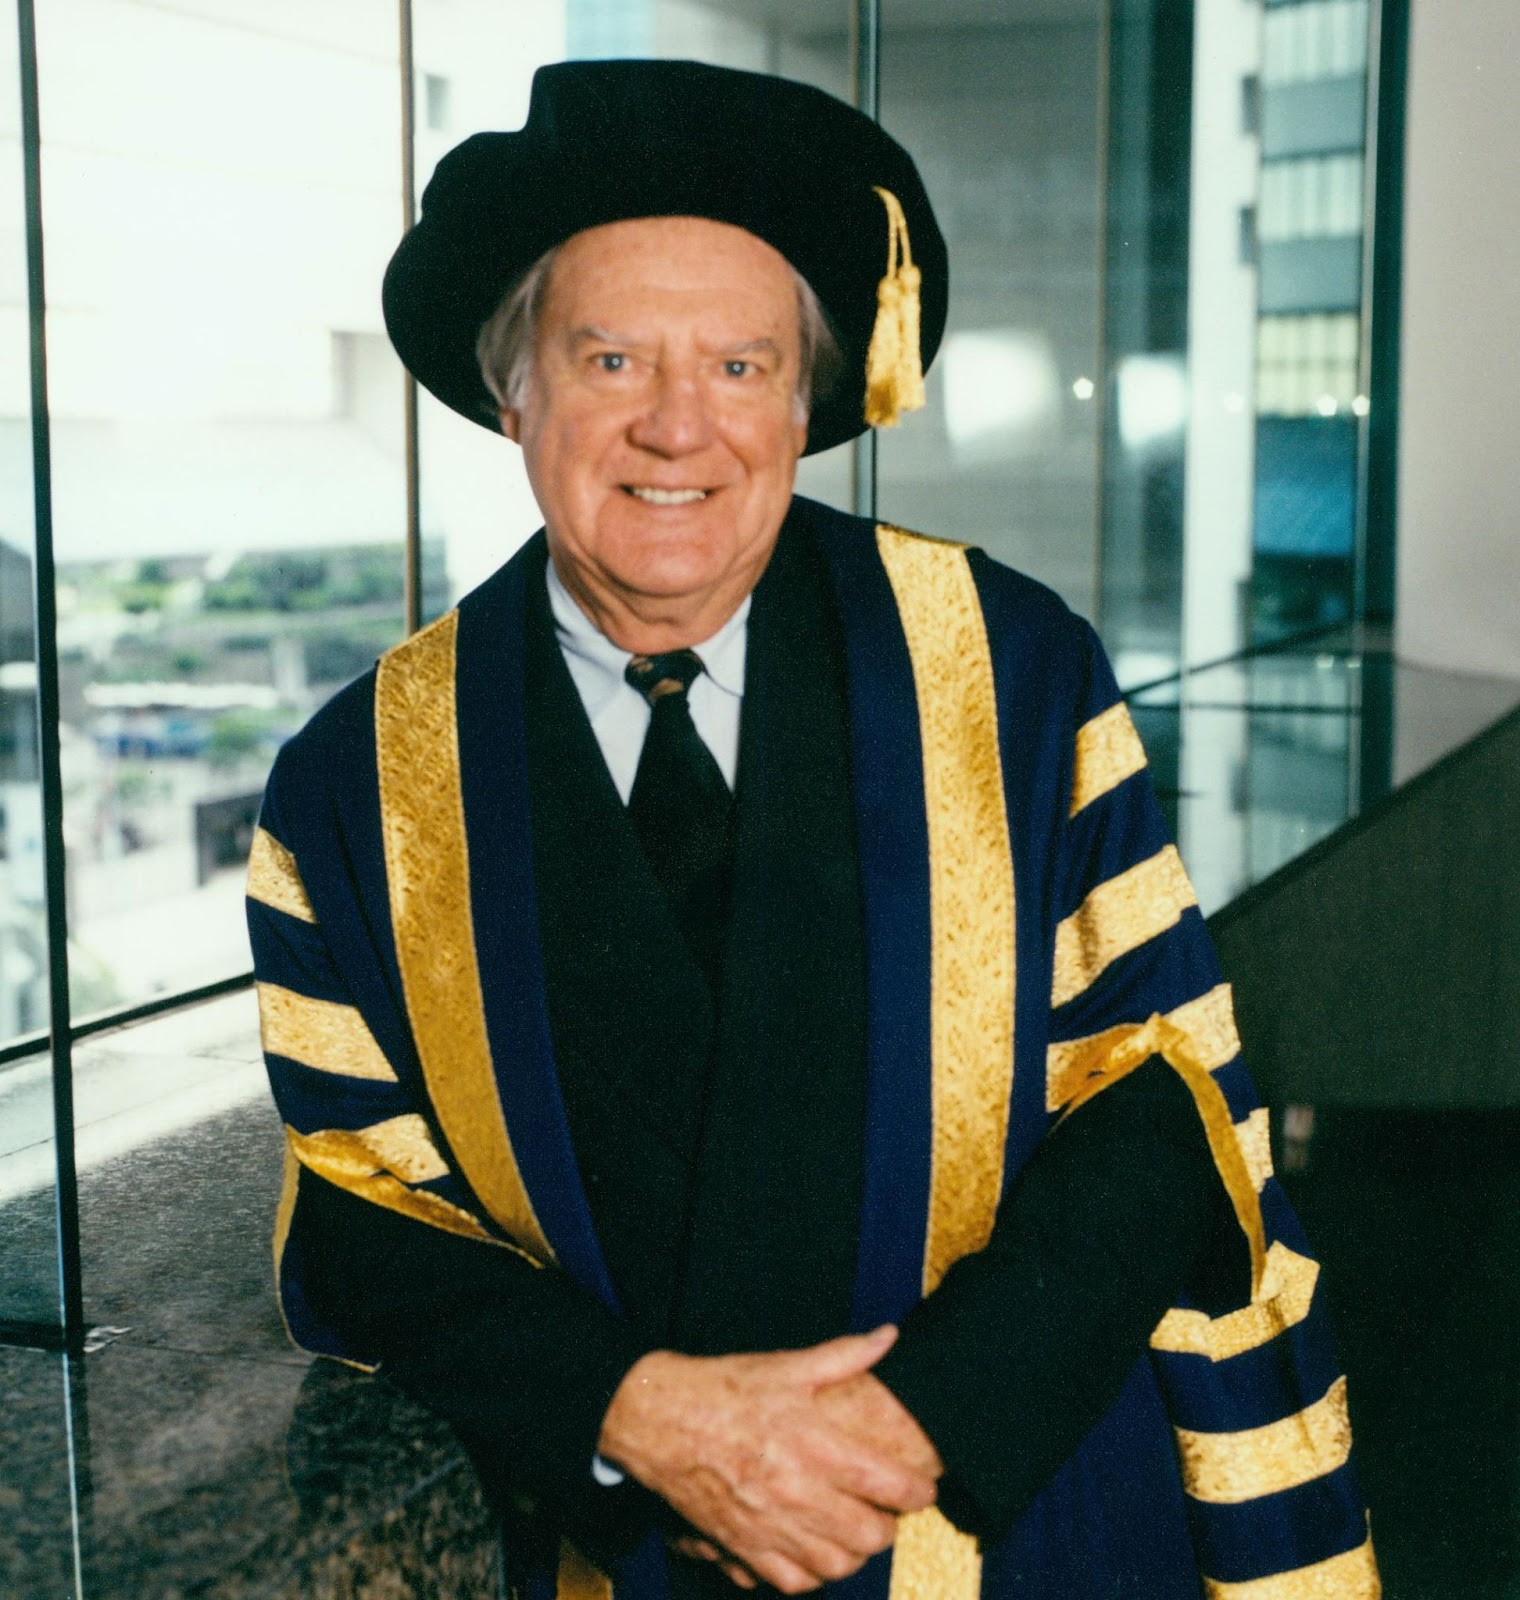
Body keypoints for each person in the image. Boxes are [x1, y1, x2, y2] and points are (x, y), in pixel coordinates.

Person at [247, 59, 1378, 1600]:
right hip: (634, 1542)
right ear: (514, 391)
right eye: (610, 359)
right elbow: (363, 1210)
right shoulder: (358, 782)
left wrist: (905, 1433)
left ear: (804, 403)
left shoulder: (1008, 668)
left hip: (1005, 1510)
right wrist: (636, 1415)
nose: (677, 428)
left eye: (740, 365)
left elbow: (1159, 1099)